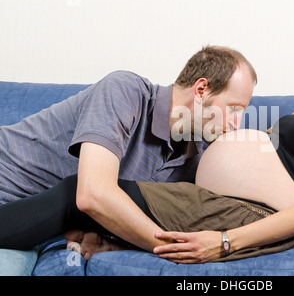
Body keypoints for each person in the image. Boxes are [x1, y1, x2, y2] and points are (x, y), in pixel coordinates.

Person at [0, 0, 294, 265]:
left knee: (79, 193)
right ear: (201, 90)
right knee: (85, 194)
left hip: (256, 215)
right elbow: (265, 146)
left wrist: (226, 241)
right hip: (217, 199)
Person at [0, 45, 257, 275]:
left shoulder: (195, 160)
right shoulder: (125, 91)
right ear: (201, 89)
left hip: (27, 226)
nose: (237, 123)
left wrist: (115, 241)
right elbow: (92, 195)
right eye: (234, 109)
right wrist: (177, 251)